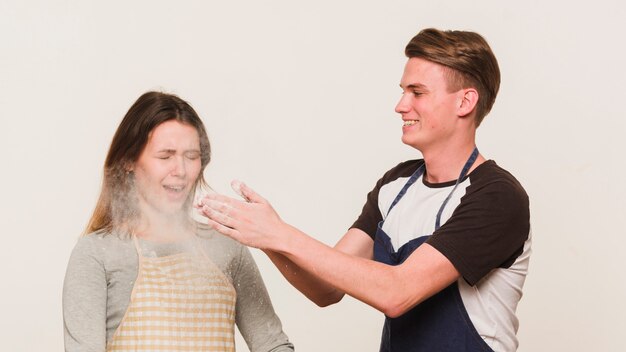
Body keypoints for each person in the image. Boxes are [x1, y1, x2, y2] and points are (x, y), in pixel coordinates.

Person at [199, 28, 531, 352]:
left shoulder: (496, 197)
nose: (401, 105)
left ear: (465, 101)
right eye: (402, 91)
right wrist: (266, 239)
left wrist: (281, 234)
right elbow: (325, 289)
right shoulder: (396, 185)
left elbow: (397, 293)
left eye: (417, 92)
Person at [63, 91, 294, 352]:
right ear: (128, 161)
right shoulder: (97, 254)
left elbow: (273, 344)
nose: (181, 171)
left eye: (191, 156)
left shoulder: (227, 247)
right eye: (165, 156)